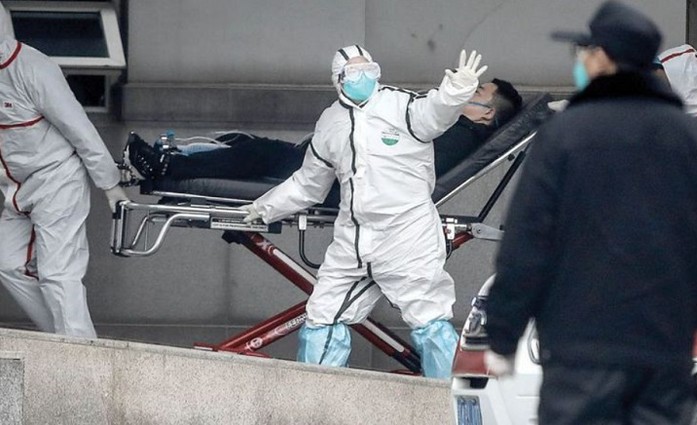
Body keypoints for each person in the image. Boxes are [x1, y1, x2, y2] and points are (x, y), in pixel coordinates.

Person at [480, 1, 697, 424]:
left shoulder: (564, 136)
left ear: (603, 58)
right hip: (663, 356)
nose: (580, 61)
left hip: (581, 354)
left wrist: (503, 334)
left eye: (584, 51)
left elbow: (527, 242)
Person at [228, 45, 487, 379]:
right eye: (355, 72)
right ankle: (315, 400)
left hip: (406, 235)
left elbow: (436, 113)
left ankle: (449, 401)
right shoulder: (330, 123)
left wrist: (456, 90)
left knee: (429, 319)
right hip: (353, 238)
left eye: (370, 70)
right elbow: (309, 184)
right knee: (322, 317)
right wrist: (263, 209)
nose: (365, 77)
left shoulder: (400, 106)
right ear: (338, 79)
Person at [0, 3, 129, 337]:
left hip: (58, 181)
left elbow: (80, 129)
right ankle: (62, 342)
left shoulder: (33, 68)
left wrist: (109, 185)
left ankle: (80, 356)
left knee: (59, 274)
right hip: (15, 189)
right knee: (7, 263)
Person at [126, 79, 522, 183]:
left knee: (258, 154)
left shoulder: (457, 136)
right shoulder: (450, 127)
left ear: (486, 114)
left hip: (347, 181)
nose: (465, 91)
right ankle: (171, 160)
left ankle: (168, 168)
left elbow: (406, 166)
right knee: (253, 148)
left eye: (476, 92)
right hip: (344, 171)